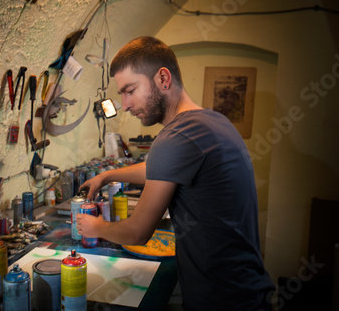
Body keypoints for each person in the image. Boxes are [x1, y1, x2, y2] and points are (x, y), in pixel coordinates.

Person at [76, 36, 275, 310]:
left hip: (221, 300)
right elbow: (161, 168)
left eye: (130, 90)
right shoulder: (211, 121)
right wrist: (108, 176)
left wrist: (96, 227)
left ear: (163, 79)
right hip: (248, 291)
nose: (125, 104)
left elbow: (137, 233)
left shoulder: (174, 137)